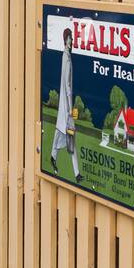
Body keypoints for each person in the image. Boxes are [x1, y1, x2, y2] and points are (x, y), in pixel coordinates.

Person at [50, 27, 83, 186]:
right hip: (66, 107)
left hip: (64, 106)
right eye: (69, 38)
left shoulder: (66, 56)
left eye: (71, 38)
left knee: (62, 132)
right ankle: (76, 173)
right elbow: (68, 85)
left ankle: (53, 157)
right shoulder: (67, 58)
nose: (71, 40)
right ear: (65, 39)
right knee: (70, 135)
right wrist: (70, 108)